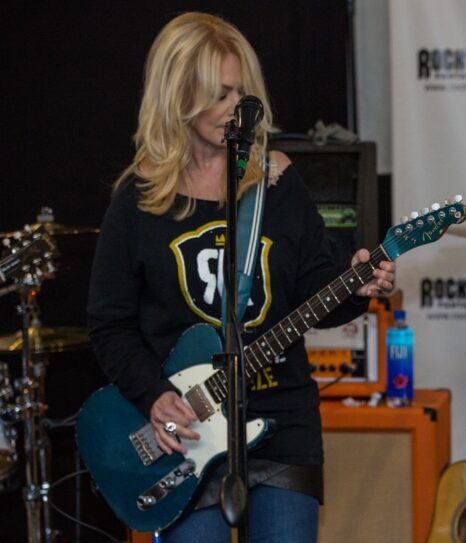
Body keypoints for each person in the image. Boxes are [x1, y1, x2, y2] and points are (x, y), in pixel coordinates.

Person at [86, 12, 394, 542]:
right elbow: (109, 322)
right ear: (178, 95)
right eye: (219, 94)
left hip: (282, 423)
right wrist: (153, 397)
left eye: (241, 94)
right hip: (187, 431)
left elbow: (319, 291)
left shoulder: (277, 183)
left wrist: (356, 285)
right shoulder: (140, 199)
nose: (235, 109)